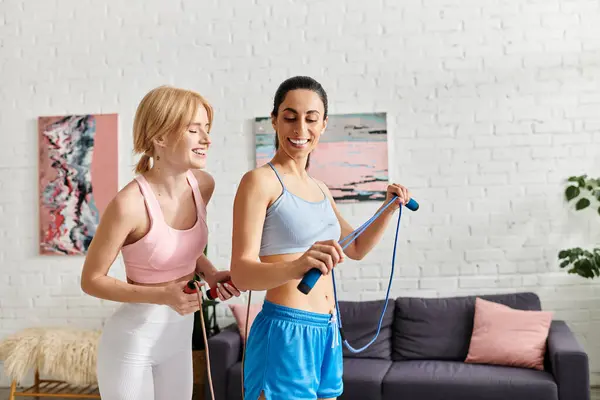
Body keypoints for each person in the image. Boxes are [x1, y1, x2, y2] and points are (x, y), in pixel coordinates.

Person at [230, 76, 411, 400]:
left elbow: (354, 247)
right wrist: (297, 265)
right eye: (289, 117)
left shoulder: (320, 188)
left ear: (324, 124)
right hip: (285, 330)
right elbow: (242, 272)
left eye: (311, 118)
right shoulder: (259, 181)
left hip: (327, 328)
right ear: (274, 120)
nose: (300, 128)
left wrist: (387, 209)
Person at [81, 85, 241, 400]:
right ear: (161, 137)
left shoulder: (203, 185)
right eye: (194, 130)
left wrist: (210, 273)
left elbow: (181, 249)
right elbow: (91, 280)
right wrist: (161, 295)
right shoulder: (129, 204)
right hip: (132, 345)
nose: (206, 139)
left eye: (206, 130)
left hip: (177, 342)